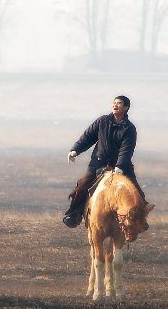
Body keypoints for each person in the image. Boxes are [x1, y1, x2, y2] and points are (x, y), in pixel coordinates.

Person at [62, 95, 146, 228]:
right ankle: (74, 213)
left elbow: (127, 149)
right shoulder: (102, 121)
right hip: (98, 163)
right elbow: (88, 137)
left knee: (136, 192)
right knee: (82, 185)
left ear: (126, 107)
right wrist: (75, 150)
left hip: (121, 166)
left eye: (119, 103)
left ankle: (140, 219)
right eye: (114, 103)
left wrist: (119, 166)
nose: (115, 105)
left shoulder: (130, 128)